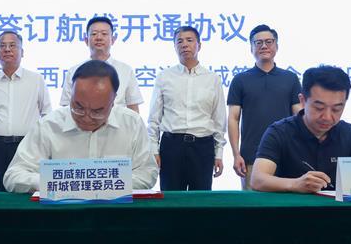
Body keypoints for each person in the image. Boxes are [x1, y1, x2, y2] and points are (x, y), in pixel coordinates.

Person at [4, 60, 158, 193]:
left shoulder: (132, 123)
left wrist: (103, 184)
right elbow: (13, 175)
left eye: (97, 111)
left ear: (113, 101)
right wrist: (58, 182)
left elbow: (147, 173)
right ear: (71, 94)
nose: (86, 117)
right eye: (78, 107)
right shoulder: (48, 126)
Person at [250, 65, 351, 193]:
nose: (327, 117)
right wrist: (295, 184)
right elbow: (257, 180)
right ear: (302, 101)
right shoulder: (279, 132)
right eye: (319, 108)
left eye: (336, 109)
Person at [147, 26, 226, 190]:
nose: (184, 45)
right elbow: (154, 119)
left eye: (189, 40)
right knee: (171, 199)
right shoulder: (164, 77)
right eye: (179, 41)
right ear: (175, 47)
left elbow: (219, 119)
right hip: (171, 146)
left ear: (199, 45)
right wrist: (154, 150)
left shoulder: (213, 79)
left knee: (200, 200)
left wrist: (219, 153)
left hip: (203, 146)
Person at [226, 24, 302, 189]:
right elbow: (233, 118)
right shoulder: (240, 80)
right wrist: (236, 154)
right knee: (252, 203)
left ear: (276, 46)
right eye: (258, 43)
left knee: (288, 203)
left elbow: (300, 116)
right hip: (252, 157)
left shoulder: (290, 78)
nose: (264, 46)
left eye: (269, 41)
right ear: (251, 48)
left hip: (287, 154)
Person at [0, 30, 52, 192]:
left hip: (27, 146)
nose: (7, 49)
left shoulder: (36, 80)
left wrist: (45, 147)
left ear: (22, 52)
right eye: (2, 46)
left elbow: (47, 115)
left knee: (28, 193)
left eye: (12, 45)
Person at [59, 16, 143, 112]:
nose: (99, 38)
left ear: (113, 40)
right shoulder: (74, 71)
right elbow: (66, 109)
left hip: (117, 122)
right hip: (82, 121)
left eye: (104, 34)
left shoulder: (126, 70)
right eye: (94, 34)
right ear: (86, 40)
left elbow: (133, 108)